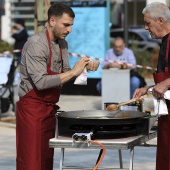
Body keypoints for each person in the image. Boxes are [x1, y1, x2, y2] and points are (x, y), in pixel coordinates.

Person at [16, 3, 99, 170]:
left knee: (46, 162)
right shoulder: (36, 44)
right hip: (32, 111)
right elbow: (41, 83)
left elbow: (66, 75)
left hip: (48, 111)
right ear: (52, 21)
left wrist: (83, 69)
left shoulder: (62, 44)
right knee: (32, 163)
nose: (69, 30)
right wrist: (74, 72)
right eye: (66, 25)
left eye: (71, 25)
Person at [133, 2, 170, 170]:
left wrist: (167, 83)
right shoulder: (165, 43)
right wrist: (148, 88)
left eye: (148, 23)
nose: (145, 27)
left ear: (160, 21)